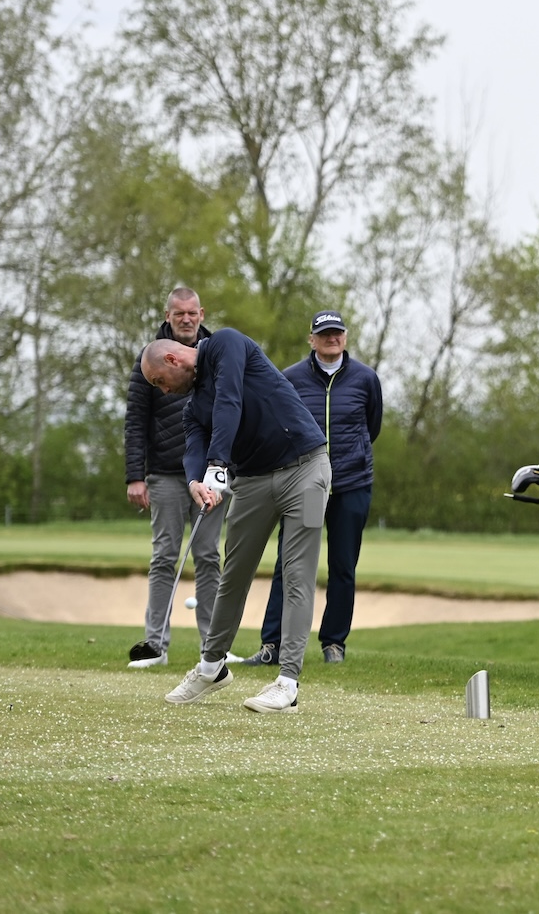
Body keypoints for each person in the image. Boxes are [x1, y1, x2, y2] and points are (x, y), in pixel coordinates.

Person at [142, 329, 332, 714]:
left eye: (160, 382)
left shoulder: (226, 344)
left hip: (308, 468)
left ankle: (287, 683)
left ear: (174, 360)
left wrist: (217, 463)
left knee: (297, 573)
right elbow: (193, 446)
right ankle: (212, 667)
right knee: (234, 574)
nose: (162, 391)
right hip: (252, 482)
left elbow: (230, 398)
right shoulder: (193, 408)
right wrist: (197, 480)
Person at [239, 310, 384, 668]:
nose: (332, 338)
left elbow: (372, 427)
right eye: (324, 333)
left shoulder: (366, 379)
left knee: (343, 565)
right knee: (289, 565)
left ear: (345, 337)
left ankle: (334, 642)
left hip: (351, 485)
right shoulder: (291, 378)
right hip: (302, 484)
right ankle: (272, 644)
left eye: (337, 332)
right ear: (312, 339)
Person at [123, 287, 228, 669]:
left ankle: (213, 648)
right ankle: (156, 645)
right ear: (167, 316)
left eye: (192, 313)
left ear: (201, 313)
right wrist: (135, 475)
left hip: (211, 473)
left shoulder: (218, 354)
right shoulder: (149, 357)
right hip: (165, 473)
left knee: (208, 556)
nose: (186, 319)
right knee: (164, 556)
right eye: (178, 313)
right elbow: (135, 420)